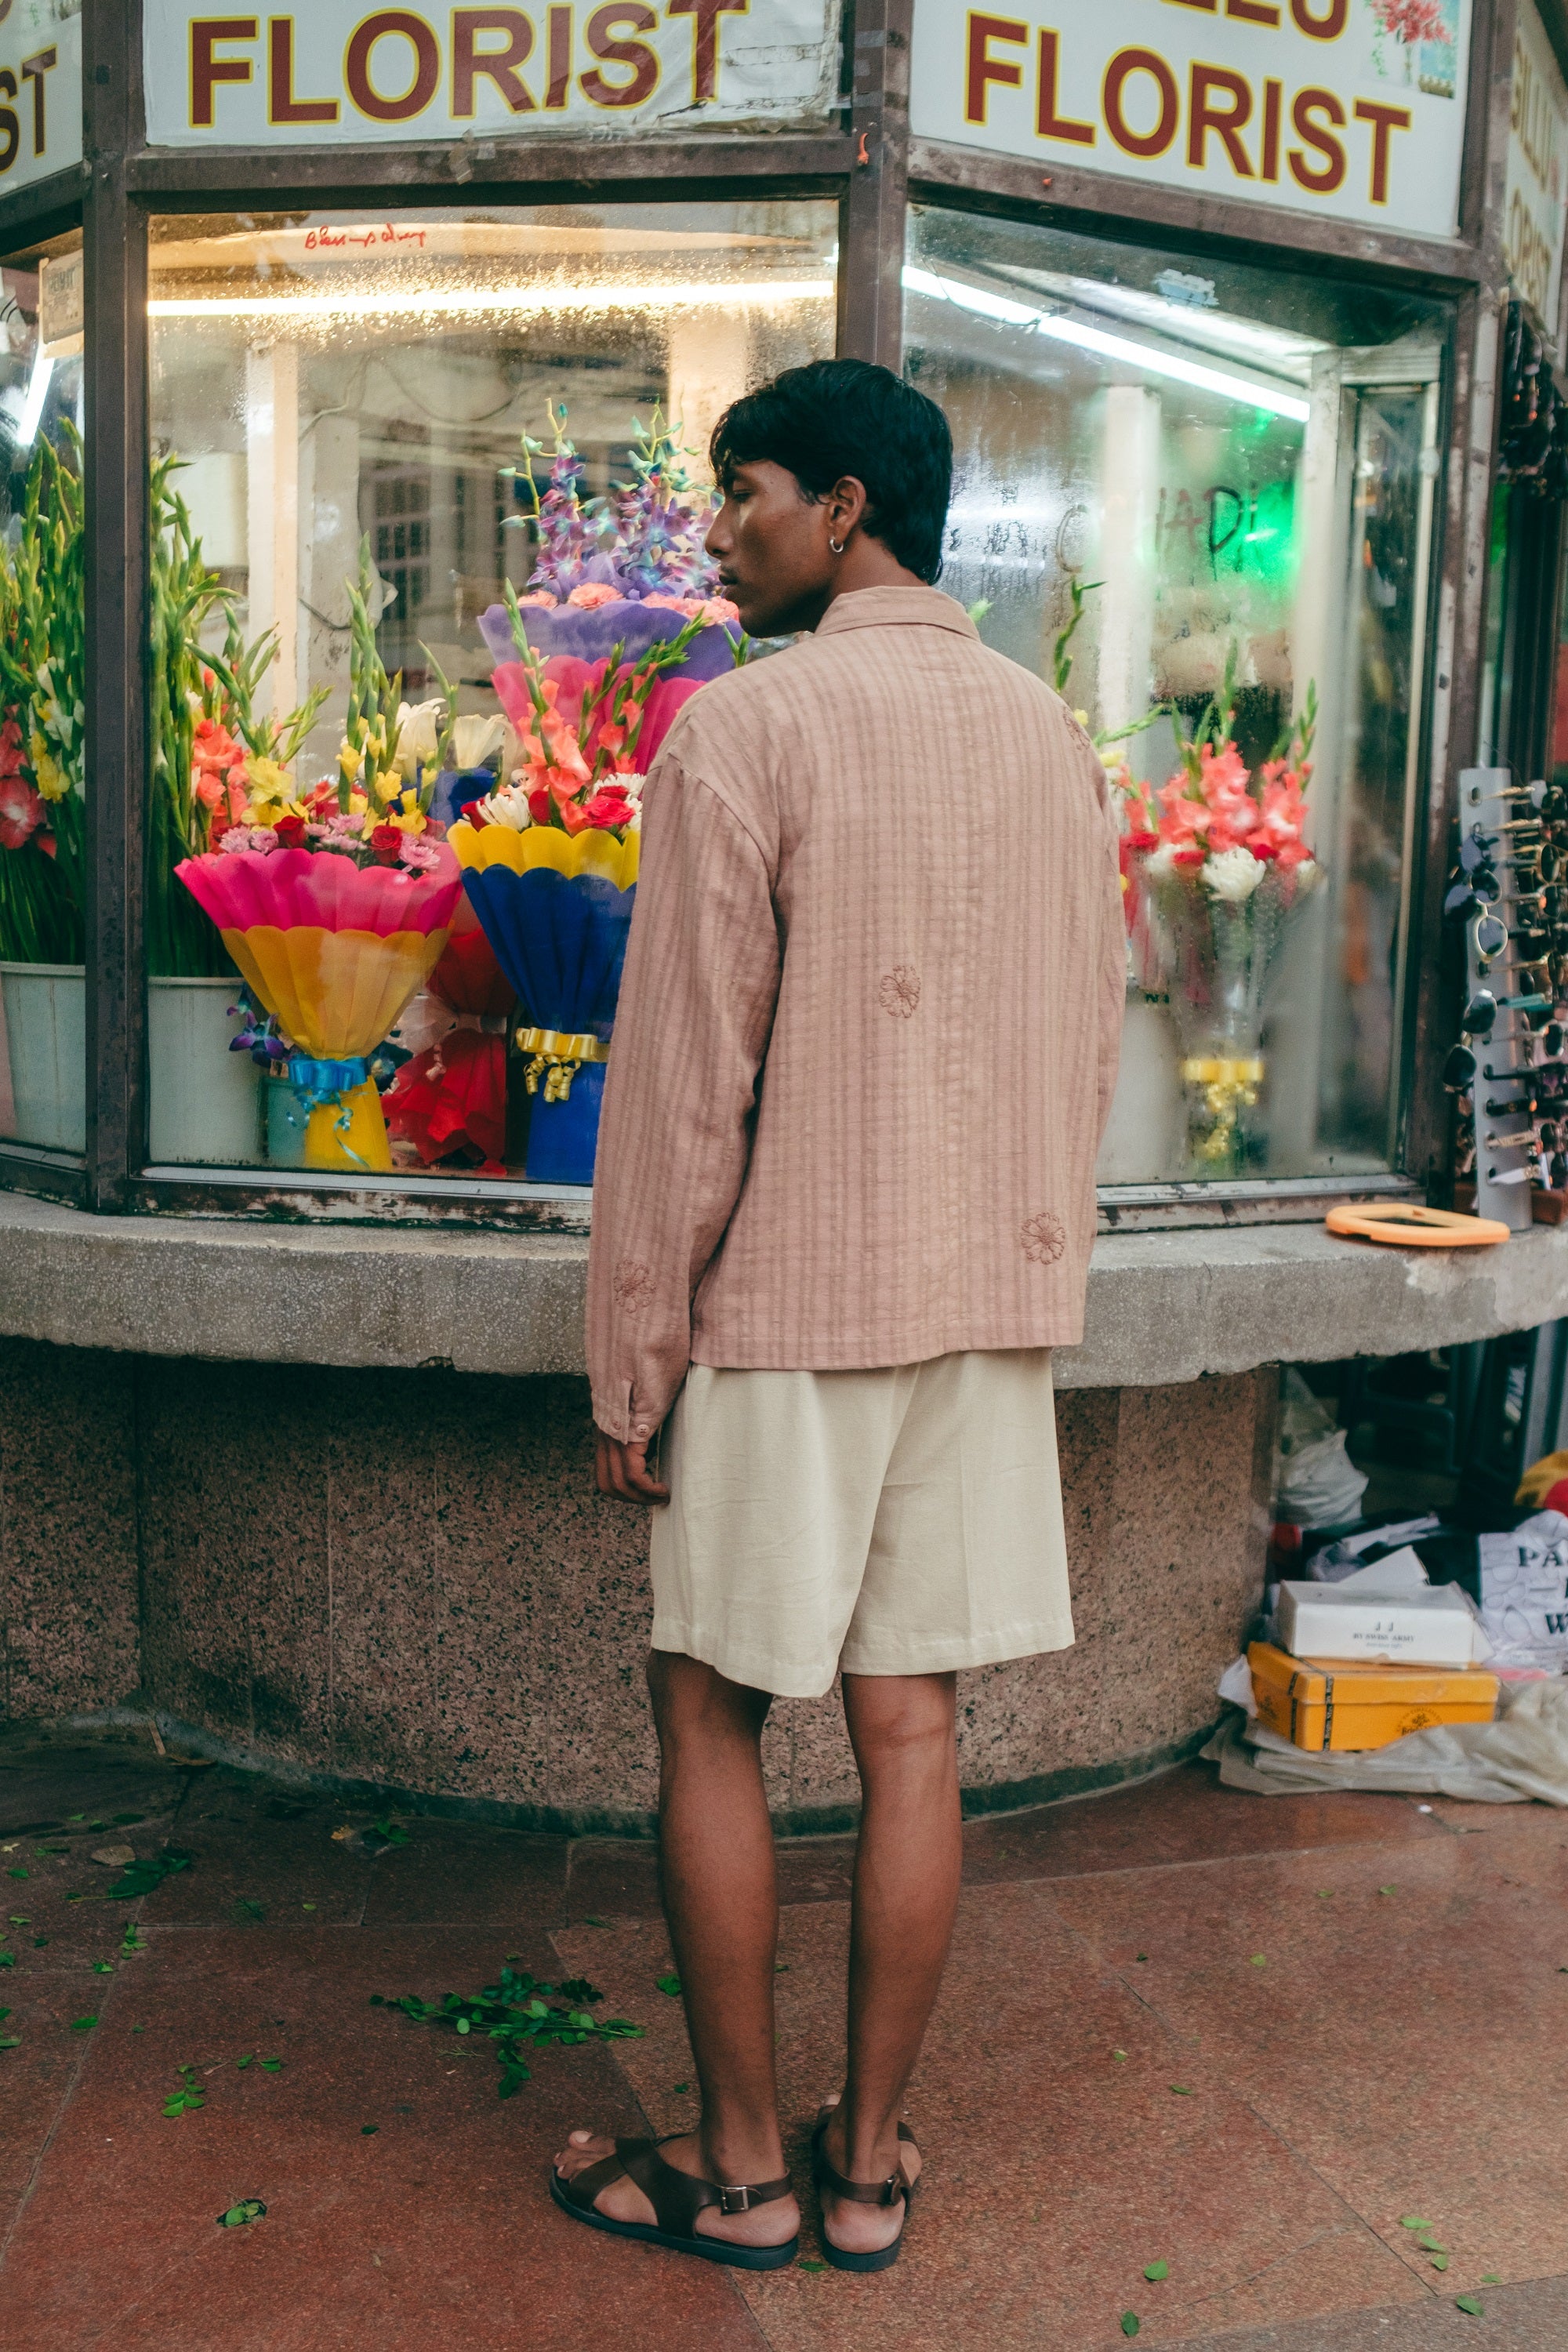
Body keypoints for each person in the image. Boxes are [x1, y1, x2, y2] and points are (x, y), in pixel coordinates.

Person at [551, 357, 1124, 2274]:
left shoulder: (750, 728)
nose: (721, 529)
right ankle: (868, 2170)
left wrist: (633, 1354)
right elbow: (1082, 1047)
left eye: (748, 489)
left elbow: (682, 1085)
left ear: (847, 509)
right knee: (912, 1730)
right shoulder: (1053, 737)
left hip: (795, 1303)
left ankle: (735, 2173)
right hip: (987, 1301)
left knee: (707, 1709)